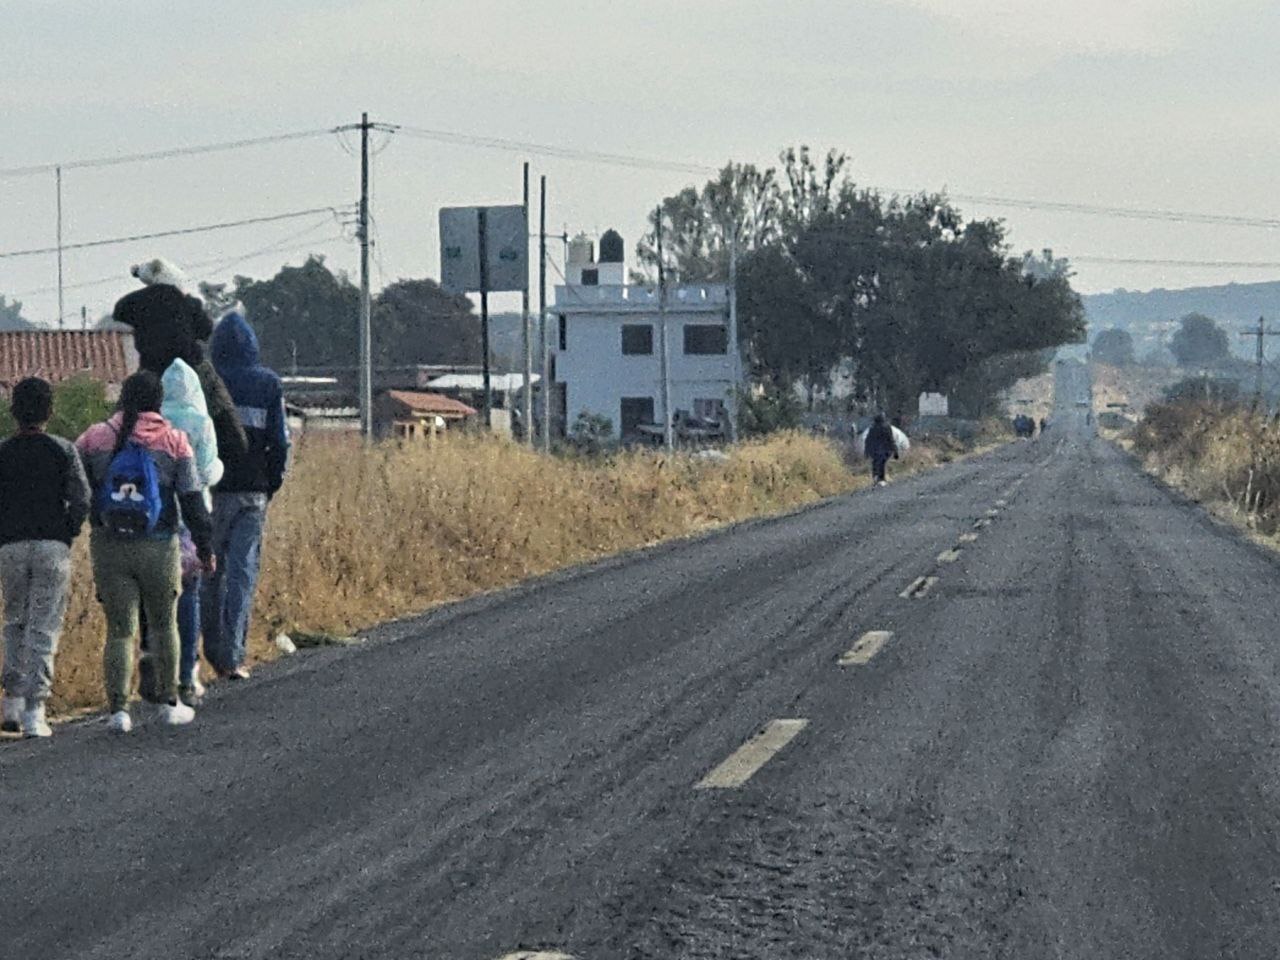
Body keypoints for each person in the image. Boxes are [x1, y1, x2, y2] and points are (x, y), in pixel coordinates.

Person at [76, 371, 215, 732]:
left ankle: (118, 711)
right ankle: (169, 702)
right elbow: (192, 500)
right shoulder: (174, 440)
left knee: (120, 630)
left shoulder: (95, 437)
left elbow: (78, 482)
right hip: (159, 544)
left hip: (109, 545)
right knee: (164, 623)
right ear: (159, 401)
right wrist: (205, 547)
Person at [0, 379, 91, 738]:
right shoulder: (63, 450)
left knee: (14, 620)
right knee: (43, 625)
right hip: (52, 544)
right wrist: (68, 529)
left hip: (10, 545)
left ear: (13, 412)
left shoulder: (2, 452)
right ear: (50, 412)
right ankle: (36, 709)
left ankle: (11, 701)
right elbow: (82, 498)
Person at [202, 309, 289, 680]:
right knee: (242, 572)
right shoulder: (268, 384)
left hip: (213, 492)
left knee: (210, 570)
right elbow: (280, 441)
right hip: (254, 493)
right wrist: (272, 482)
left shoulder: (207, 381)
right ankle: (234, 656)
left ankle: (212, 651)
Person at [112, 283, 247, 463]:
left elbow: (118, 313)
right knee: (222, 411)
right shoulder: (189, 304)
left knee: (124, 414)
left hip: (151, 368)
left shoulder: (136, 302)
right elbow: (206, 330)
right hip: (193, 365)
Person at [156, 359, 223, 706]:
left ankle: (158, 672)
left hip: (160, 521)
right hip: (193, 517)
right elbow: (210, 472)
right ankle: (187, 674)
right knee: (191, 595)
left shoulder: (156, 422)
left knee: (161, 600)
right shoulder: (201, 422)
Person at [863, 413, 897, 487]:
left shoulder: (872, 428)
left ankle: (876, 478)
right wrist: (895, 451)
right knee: (881, 463)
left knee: (875, 463)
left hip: (875, 450)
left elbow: (867, 441)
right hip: (885, 450)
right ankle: (881, 479)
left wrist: (866, 452)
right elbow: (891, 439)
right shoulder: (886, 427)